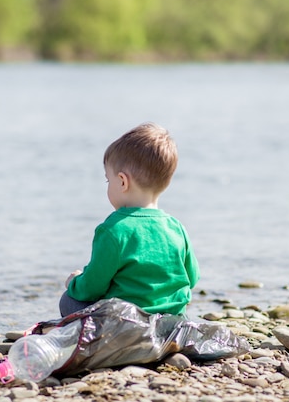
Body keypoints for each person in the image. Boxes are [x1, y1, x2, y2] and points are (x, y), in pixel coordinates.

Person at [59, 122, 200, 317]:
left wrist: (74, 282)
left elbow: (92, 288)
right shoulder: (176, 228)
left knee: (69, 300)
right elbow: (192, 278)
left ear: (123, 181)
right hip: (171, 323)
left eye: (108, 180)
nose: (108, 185)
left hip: (125, 326)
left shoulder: (114, 229)